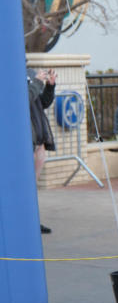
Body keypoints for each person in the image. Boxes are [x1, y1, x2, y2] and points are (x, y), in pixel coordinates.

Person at [28, 68, 56, 233]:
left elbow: (42, 102)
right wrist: (37, 82)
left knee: (32, 185)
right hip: (25, 143)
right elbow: (22, 101)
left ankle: (32, 221)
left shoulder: (30, 73)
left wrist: (50, 86)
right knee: (23, 185)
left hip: (38, 140)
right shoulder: (10, 74)